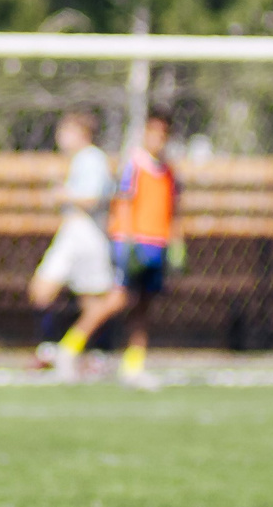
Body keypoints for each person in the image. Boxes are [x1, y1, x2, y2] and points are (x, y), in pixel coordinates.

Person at [67, 111, 181, 382]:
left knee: (143, 306)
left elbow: (173, 209)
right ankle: (69, 347)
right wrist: (127, 239)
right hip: (133, 243)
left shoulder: (168, 171)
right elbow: (124, 202)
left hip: (156, 244)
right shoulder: (134, 164)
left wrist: (176, 241)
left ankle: (133, 365)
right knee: (117, 299)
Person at [30, 111, 116, 377]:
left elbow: (93, 198)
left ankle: (94, 354)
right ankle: (53, 349)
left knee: (92, 300)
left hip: (87, 233)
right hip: (73, 231)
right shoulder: (79, 160)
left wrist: (63, 194)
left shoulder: (93, 159)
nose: (61, 137)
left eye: (66, 131)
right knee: (44, 289)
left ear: (82, 133)